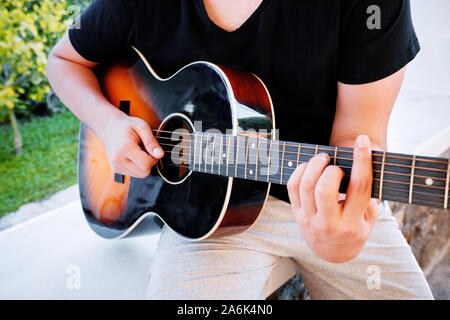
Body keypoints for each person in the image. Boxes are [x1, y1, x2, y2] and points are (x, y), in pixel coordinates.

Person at [46, 0, 434, 299]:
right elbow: (63, 61)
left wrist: (343, 235)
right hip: (203, 218)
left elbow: (359, 139)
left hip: (331, 199)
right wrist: (108, 124)